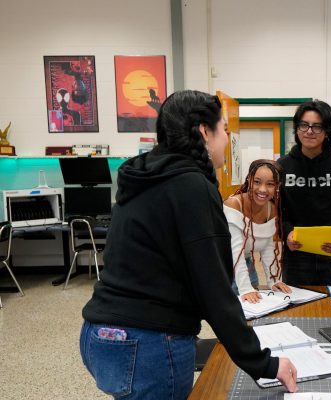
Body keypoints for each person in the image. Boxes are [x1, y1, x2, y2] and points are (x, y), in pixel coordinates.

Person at [79, 90, 297, 399]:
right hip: (148, 343)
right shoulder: (192, 186)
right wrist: (264, 363)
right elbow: (214, 289)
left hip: (98, 334)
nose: (226, 138)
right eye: (223, 129)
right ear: (204, 132)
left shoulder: (143, 176)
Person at [278, 100, 331, 286]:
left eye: (317, 126)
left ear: (327, 131)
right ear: (296, 128)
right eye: (304, 125)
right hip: (297, 257)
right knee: (297, 311)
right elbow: (277, 211)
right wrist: (286, 234)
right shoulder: (282, 166)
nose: (309, 131)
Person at [224, 159, 291, 304]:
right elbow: (236, 251)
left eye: (270, 184)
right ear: (249, 180)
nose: (262, 189)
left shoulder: (271, 209)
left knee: (252, 316)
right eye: (257, 182)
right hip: (223, 270)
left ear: (277, 187)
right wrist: (246, 288)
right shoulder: (234, 204)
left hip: (247, 267)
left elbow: (267, 247)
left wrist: (273, 280)